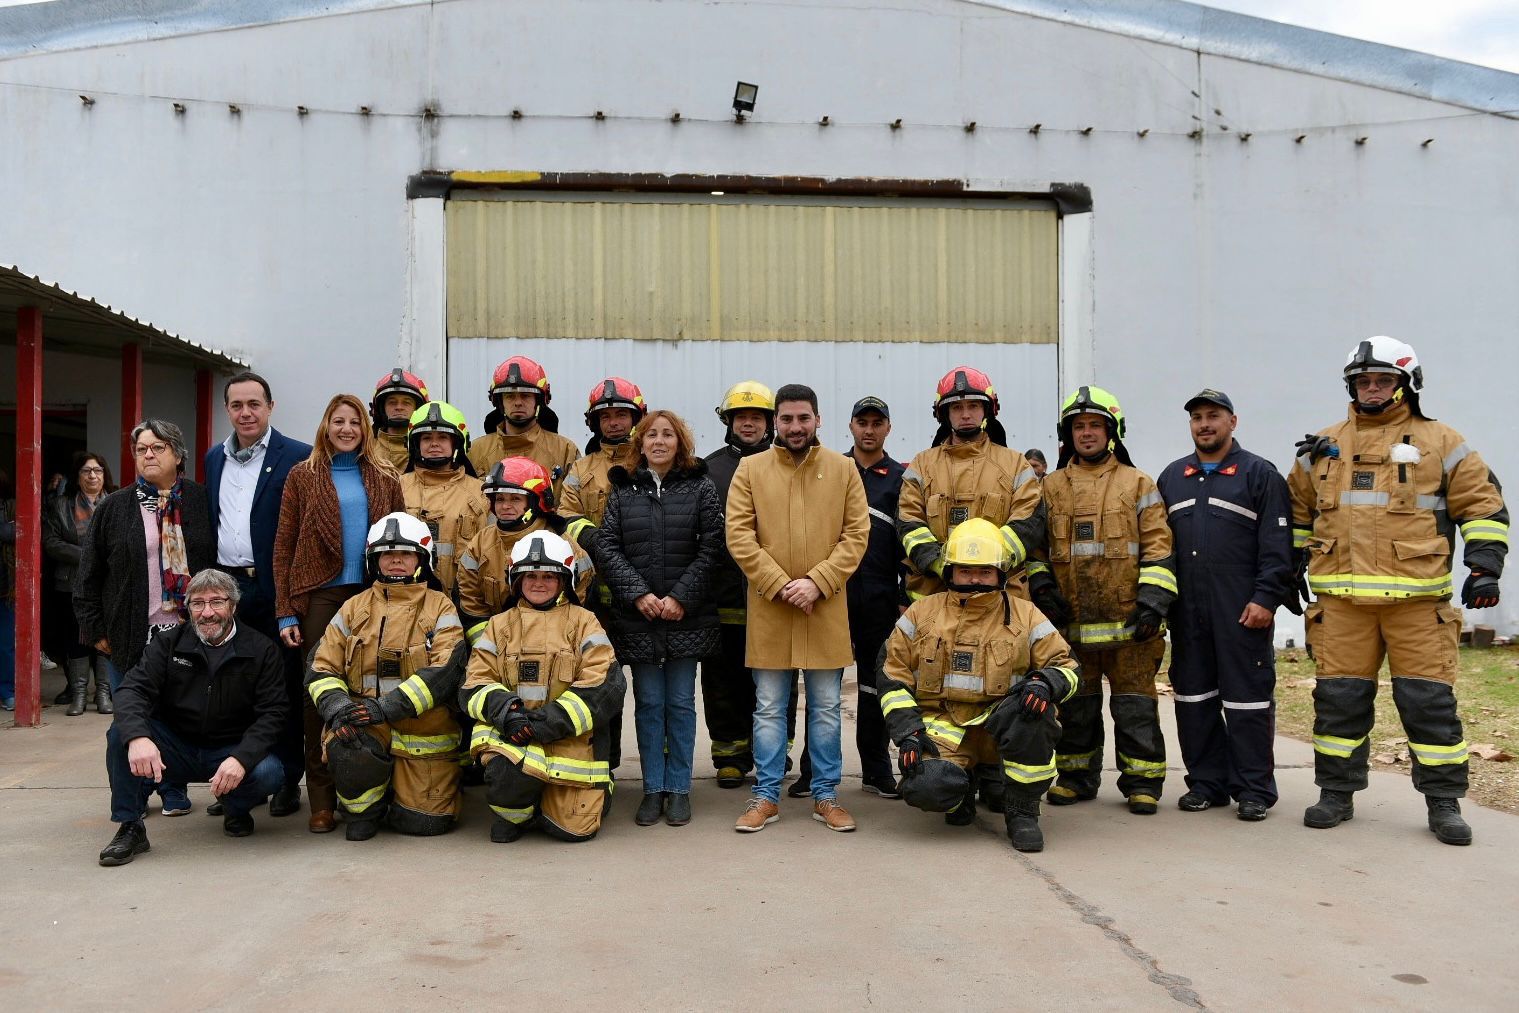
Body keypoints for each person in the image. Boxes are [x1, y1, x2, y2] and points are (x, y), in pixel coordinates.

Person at [1290, 338, 1508, 846]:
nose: (1372, 388)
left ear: (1407, 384)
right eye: (1363, 381)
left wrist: (1484, 568)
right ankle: (1336, 793)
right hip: (1341, 606)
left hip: (1418, 605)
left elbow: (1482, 506)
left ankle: (1444, 802)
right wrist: (1289, 567)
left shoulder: (1442, 441)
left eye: (1383, 380)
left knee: (1429, 705)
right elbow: (1298, 512)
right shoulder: (1323, 446)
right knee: (1338, 704)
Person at [880, 519, 1079, 851]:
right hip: (945, 727)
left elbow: (1067, 666)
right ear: (950, 571)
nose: (975, 579)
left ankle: (1023, 812)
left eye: (985, 571)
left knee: (1036, 715)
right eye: (966, 571)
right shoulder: (920, 614)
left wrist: (1045, 683)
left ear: (1000, 573)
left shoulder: (1027, 614)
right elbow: (892, 675)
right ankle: (960, 795)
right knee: (926, 787)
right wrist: (908, 732)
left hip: (1004, 726)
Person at [1025, 387, 1177, 814]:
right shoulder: (1049, 488)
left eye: (1095, 425)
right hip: (1070, 625)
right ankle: (1075, 778)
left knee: (1136, 707)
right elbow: (1036, 551)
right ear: (1068, 434)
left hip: (1131, 626)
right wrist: (1043, 589)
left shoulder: (1138, 483)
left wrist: (1153, 603)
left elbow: (1159, 547)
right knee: (1077, 708)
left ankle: (1143, 783)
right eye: (1079, 426)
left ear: (1112, 432)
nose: (1087, 433)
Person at [726, 383, 869, 833]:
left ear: (818, 420)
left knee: (826, 707)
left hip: (824, 608)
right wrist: (781, 584)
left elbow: (856, 535)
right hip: (772, 608)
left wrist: (817, 582)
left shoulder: (844, 469)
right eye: (786, 418)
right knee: (769, 707)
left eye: (803, 418)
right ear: (776, 421)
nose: (795, 426)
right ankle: (765, 796)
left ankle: (826, 795)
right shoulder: (751, 469)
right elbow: (739, 536)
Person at [1158, 390, 1295, 821]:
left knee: (1247, 702)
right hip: (1188, 611)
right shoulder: (1172, 477)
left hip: (1241, 609)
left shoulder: (1259, 474)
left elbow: (1278, 544)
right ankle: (1206, 784)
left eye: (1213, 416)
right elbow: (1158, 546)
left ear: (1232, 421)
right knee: (1193, 699)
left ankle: (1254, 790)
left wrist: (1266, 598)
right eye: (1197, 417)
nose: (1204, 424)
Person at [273, 393, 404, 833]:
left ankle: (371, 791)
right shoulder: (303, 475)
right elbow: (283, 545)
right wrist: (286, 611)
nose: (346, 429)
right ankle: (322, 799)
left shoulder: (385, 476)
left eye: (354, 421)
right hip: (320, 595)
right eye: (338, 421)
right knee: (318, 693)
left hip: (372, 590)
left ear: (365, 428)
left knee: (373, 685)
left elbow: (400, 538)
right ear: (325, 427)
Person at [97, 569, 286, 865]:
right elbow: (132, 689)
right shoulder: (168, 643)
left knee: (269, 772)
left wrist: (241, 759)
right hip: (175, 748)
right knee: (121, 733)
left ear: (233, 606)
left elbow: (273, 713)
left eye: (217, 602)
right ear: (188, 608)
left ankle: (235, 807)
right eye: (198, 603)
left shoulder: (262, 650)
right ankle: (130, 826)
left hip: (229, 749)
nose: (207, 613)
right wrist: (139, 737)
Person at [75, 420, 215, 815]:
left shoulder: (201, 501)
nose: (149, 455)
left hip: (188, 630)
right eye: (141, 449)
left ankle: (172, 787)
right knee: (130, 719)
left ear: (178, 454)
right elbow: (88, 576)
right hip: (130, 632)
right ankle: (132, 797)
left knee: (176, 715)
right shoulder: (114, 507)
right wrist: (96, 631)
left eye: (158, 447)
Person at [593, 410, 723, 827]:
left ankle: (679, 789)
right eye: (652, 435)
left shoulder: (700, 488)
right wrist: (638, 594)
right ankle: (653, 789)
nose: (660, 441)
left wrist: (681, 597)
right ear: (641, 443)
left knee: (681, 704)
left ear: (679, 442)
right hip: (640, 618)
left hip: (686, 616)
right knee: (649, 704)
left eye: (668, 435)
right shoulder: (623, 490)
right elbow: (608, 547)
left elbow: (713, 548)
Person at [305, 513, 466, 840]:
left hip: (423, 733)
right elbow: (321, 665)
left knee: (424, 824)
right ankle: (364, 810)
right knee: (346, 746)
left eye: (406, 553)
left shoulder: (441, 607)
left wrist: (386, 708)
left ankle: (403, 797)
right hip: (363, 724)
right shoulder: (353, 607)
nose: (396, 560)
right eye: (386, 554)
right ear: (373, 560)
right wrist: (338, 707)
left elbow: (444, 671)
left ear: (422, 558)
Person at [459, 533, 626, 843]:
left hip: (567, 741)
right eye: (531, 576)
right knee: (507, 777)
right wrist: (508, 714)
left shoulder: (585, 622)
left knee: (574, 830)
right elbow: (475, 682)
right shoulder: (499, 625)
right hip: (513, 737)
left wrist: (546, 723)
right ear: (516, 580)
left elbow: (604, 684)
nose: (539, 583)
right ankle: (517, 813)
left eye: (549, 576)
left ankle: (588, 793)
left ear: (565, 581)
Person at [203, 371, 313, 817]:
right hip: (228, 589)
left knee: (280, 686)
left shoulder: (299, 456)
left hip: (275, 589)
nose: (245, 413)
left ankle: (286, 778)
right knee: (232, 688)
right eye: (237, 405)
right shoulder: (214, 459)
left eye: (254, 404)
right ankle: (242, 784)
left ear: (270, 407)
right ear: (226, 410)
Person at [793, 396, 905, 799]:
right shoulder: (829, 469)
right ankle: (812, 772)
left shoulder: (901, 478)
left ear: (888, 428)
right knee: (823, 689)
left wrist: (904, 596)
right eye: (862, 422)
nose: (869, 430)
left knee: (876, 687)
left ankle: (876, 770)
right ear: (851, 426)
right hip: (830, 594)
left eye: (877, 423)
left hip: (879, 598)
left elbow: (907, 541)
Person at [700, 380, 795, 788]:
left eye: (757, 417)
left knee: (777, 680)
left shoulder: (789, 464)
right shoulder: (708, 470)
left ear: (769, 422)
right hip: (722, 596)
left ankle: (775, 751)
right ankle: (729, 755)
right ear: (729, 422)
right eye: (742, 417)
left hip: (775, 595)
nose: (749, 424)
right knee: (723, 680)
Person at [559, 377, 647, 775]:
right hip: (595, 595)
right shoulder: (580, 469)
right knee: (601, 680)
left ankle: (659, 770)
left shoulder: (650, 462)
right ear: (594, 422)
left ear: (636, 418)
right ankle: (605, 763)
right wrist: (596, 540)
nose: (613, 422)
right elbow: (566, 515)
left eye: (621, 415)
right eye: (605, 416)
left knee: (652, 690)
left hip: (645, 589)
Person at [898, 366, 1044, 602]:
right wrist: (941, 565)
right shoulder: (922, 465)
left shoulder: (1016, 465)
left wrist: (987, 564)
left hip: (999, 598)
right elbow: (909, 522)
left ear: (987, 410)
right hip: (933, 598)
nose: (965, 414)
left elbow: (1028, 524)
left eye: (973, 406)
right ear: (944, 414)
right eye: (957, 407)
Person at [44, 451, 116, 715]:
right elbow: (51, 542)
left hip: (108, 584)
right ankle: (79, 695)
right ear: (77, 476)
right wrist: (87, 555)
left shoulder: (115, 503)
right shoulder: (61, 505)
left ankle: (104, 694)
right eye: (86, 471)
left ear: (104, 475)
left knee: (105, 636)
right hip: (71, 583)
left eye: (97, 470)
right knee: (75, 638)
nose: (92, 475)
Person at [399, 400, 486, 601]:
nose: (434, 443)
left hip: (465, 602)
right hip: (405, 600)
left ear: (457, 443)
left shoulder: (480, 493)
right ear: (415, 444)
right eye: (426, 438)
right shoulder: (396, 487)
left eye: (443, 437)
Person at [465, 355, 579, 494]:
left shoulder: (565, 451)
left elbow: (573, 503)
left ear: (539, 401)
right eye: (510, 396)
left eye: (526, 395)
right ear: (500, 402)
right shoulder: (476, 451)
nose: (518, 402)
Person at [370, 368, 430, 472]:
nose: (399, 407)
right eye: (392, 402)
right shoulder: (366, 449)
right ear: (381, 409)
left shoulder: (431, 449)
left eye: (406, 402)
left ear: (418, 409)